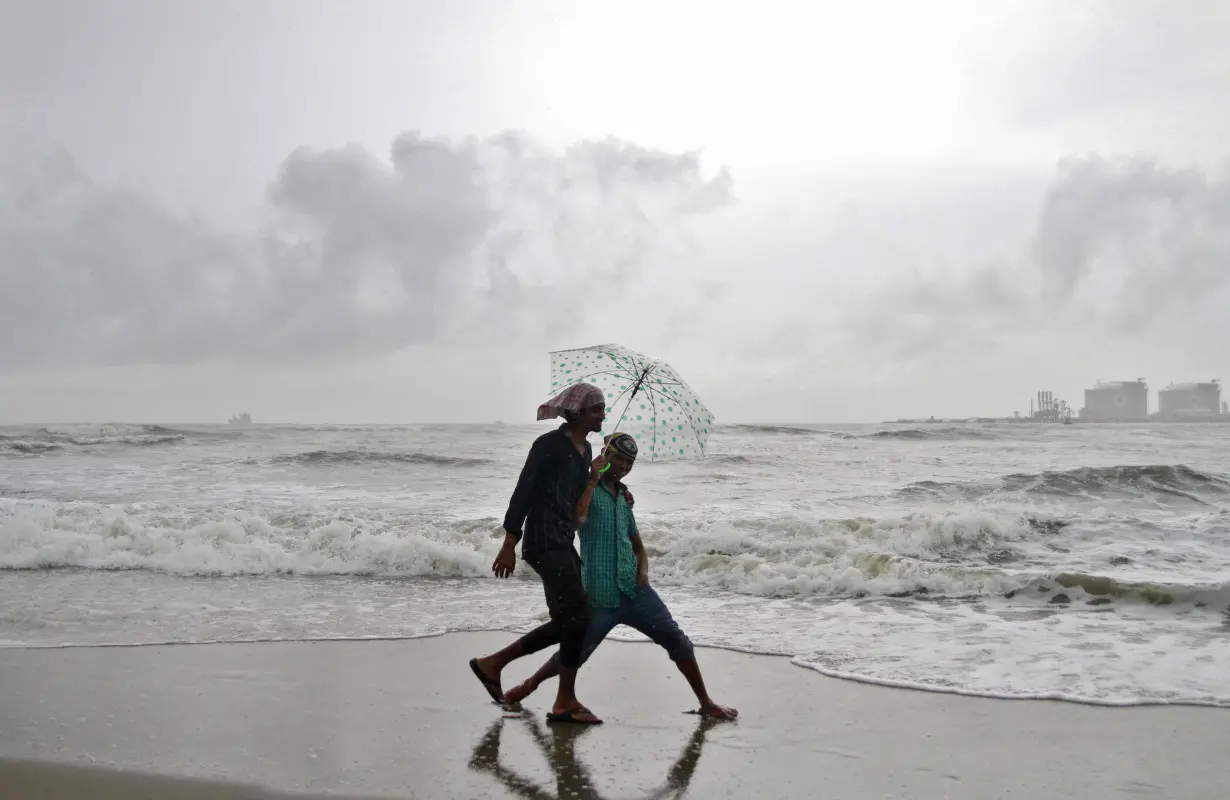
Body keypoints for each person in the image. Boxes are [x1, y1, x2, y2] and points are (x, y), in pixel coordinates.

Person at [502, 432, 738, 721]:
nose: (624, 467)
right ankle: (529, 685)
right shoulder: (585, 489)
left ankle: (706, 702)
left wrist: (643, 573)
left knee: (678, 640)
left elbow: (638, 547)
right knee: (575, 653)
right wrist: (592, 479)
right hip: (599, 595)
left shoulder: (624, 499)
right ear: (606, 455)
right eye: (619, 459)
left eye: (629, 463)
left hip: (634, 591)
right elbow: (577, 519)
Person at [469, 382, 607, 724]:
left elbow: (577, 506)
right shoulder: (548, 445)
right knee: (578, 618)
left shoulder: (586, 451)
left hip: (562, 540)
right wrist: (508, 543)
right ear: (576, 413)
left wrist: (597, 480)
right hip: (543, 541)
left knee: (569, 622)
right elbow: (523, 491)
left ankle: (493, 664)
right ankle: (564, 701)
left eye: (602, 408)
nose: (603, 414)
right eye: (596, 409)